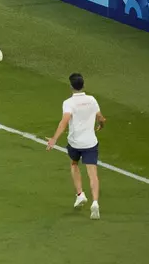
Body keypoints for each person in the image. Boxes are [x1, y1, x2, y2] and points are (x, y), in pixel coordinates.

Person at [46, 73, 106, 220]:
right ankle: (95, 203)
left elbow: (64, 122)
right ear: (83, 85)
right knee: (93, 173)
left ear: (71, 86)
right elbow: (100, 117)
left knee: (74, 164)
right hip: (90, 143)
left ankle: (80, 194)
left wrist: (54, 139)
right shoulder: (92, 100)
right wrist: (101, 124)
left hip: (75, 143)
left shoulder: (68, 103)